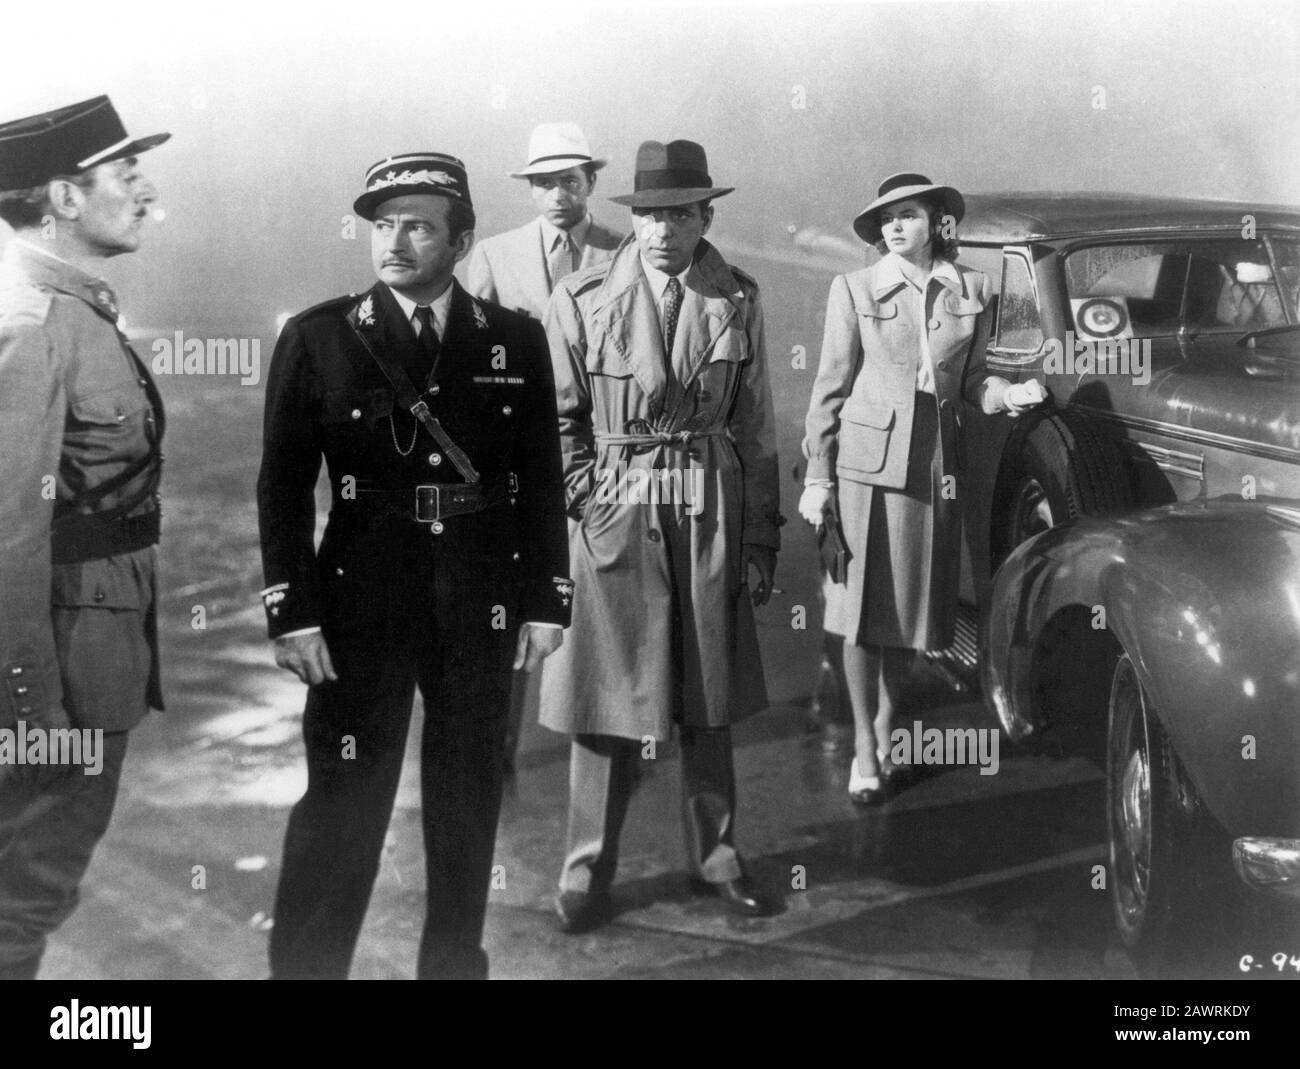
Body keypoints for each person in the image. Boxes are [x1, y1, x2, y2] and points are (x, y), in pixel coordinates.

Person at [257, 152, 571, 979]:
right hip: (361, 595)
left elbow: (540, 475)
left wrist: (548, 597)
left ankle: (453, 965)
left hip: (480, 596)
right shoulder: (320, 338)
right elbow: (283, 486)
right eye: (383, 224)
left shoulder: (514, 339)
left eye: (418, 225)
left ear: (461, 240)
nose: (393, 241)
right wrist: (291, 610)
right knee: (343, 801)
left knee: (468, 796)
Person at [539, 139, 783, 933]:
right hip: (618, 504)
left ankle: (717, 858)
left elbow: (757, 428)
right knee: (604, 696)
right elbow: (558, 420)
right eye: (648, 214)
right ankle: (584, 872)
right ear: (633, 219)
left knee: (706, 693)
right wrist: (584, 498)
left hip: (707, 502)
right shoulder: (578, 298)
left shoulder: (737, 298)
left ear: (706, 215)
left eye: (679, 213)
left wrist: (757, 538)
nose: (662, 230)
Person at [799, 172, 1045, 805]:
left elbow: (973, 382)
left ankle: (886, 724)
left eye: (907, 215)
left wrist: (1008, 393)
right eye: (886, 220)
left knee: (915, 616)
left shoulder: (975, 289)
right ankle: (862, 741)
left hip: (938, 469)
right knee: (859, 617)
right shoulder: (853, 288)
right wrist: (819, 475)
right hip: (863, 468)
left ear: (937, 223)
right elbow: (829, 387)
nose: (895, 228)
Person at [0, 95, 169, 979]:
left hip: (87, 645)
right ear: (64, 196)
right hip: (59, 671)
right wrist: (30, 709)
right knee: (23, 899)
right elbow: (7, 537)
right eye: (126, 173)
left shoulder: (68, 307)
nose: (147, 193)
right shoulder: (32, 323)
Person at [465, 122, 622, 319]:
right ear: (531, 187)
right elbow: (482, 339)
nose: (557, 196)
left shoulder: (624, 251)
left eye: (570, 182)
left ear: (591, 183)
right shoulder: (493, 255)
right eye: (545, 182)